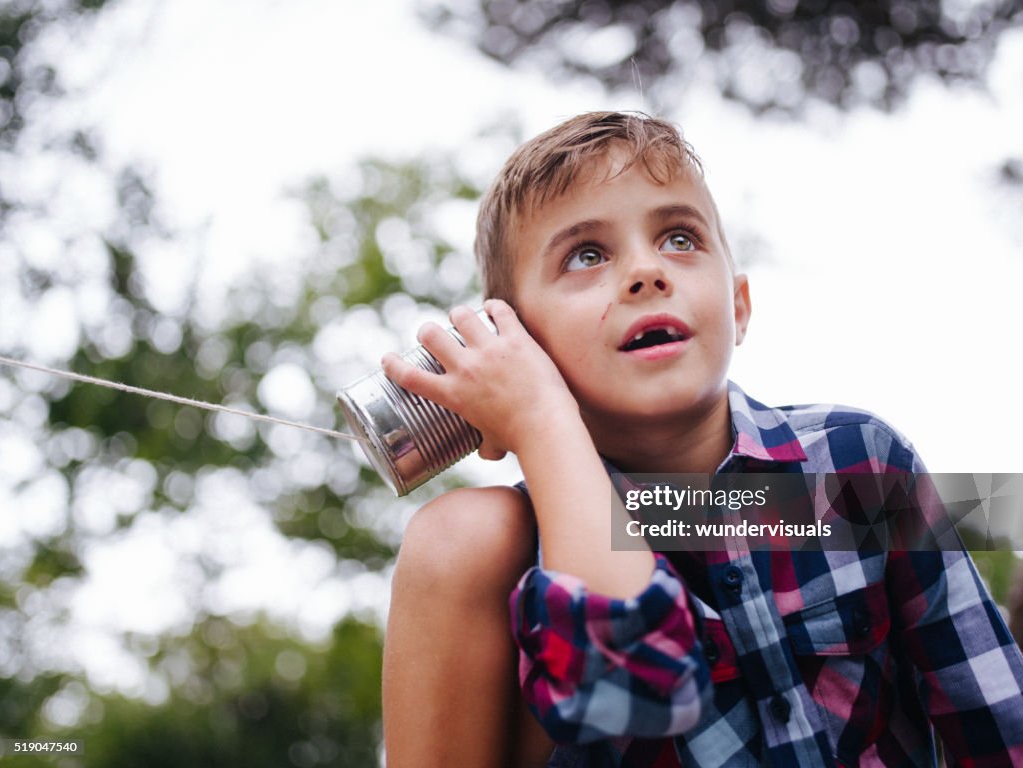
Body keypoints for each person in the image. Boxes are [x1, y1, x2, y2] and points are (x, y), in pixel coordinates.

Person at [378, 112, 1023, 767]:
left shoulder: (862, 464)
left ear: (738, 307)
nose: (646, 272)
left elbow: (1000, 724)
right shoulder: (505, 551)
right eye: (586, 255)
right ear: (513, 348)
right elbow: (630, 697)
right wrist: (544, 423)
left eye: (679, 238)